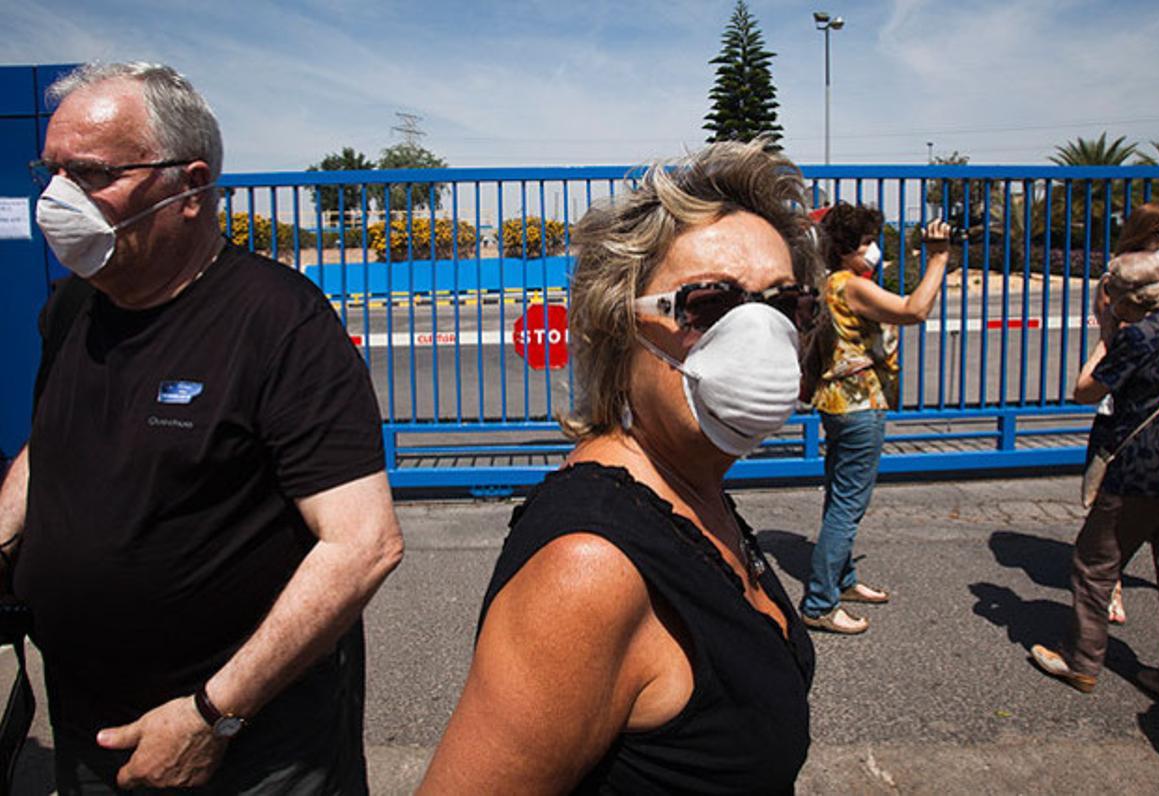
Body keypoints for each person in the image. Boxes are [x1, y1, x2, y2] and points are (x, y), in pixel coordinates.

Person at [0, 62, 404, 793]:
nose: (57, 200)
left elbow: (363, 546)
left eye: (90, 174)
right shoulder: (72, 310)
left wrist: (210, 716)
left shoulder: (278, 322)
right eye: (50, 171)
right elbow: (49, 444)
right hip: (90, 715)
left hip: (244, 743)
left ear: (188, 185)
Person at [418, 140, 821, 793]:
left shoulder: (690, 490)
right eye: (709, 305)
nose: (761, 337)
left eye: (783, 305)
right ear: (618, 326)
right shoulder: (591, 568)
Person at [1031, 251, 1159, 715]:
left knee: (1094, 565)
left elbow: (1086, 390)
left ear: (1125, 297)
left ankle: (1080, 661)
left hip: (1140, 470)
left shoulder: (1137, 338)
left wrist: (1106, 335)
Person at [797, 203, 952, 634]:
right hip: (860, 406)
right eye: (865, 242)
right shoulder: (851, 286)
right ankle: (820, 603)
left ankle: (842, 581)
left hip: (839, 404)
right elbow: (913, 310)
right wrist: (939, 258)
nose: (873, 249)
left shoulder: (829, 283)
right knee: (849, 504)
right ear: (844, 249)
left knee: (840, 497)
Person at [1089, 200, 1159, 624]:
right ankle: (1109, 592)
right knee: (1107, 533)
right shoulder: (1119, 278)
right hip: (1126, 410)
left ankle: (1086, 656)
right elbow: (1107, 342)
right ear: (1144, 234)